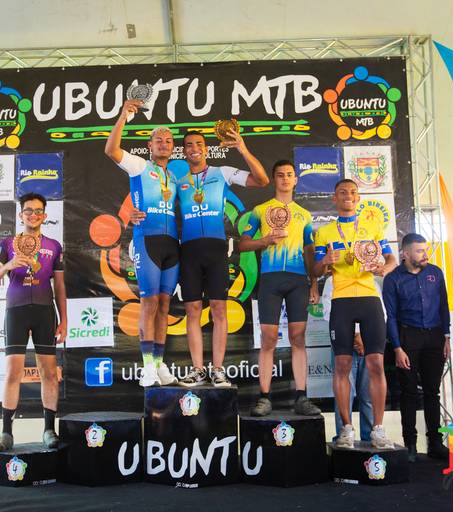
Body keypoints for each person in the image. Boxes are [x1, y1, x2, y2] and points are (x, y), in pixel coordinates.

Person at [177, 130, 270, 387]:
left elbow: (262, 180)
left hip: (216, 249)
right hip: (189, 251)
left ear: (206, 149)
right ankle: (197, 370)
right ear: (184, 151)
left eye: (199, 144)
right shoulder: (177, 181)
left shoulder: (223, 172)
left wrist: (241, 147)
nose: (194, 148)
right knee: (193, 310)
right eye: (188, 145)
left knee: (219, 308)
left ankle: (218, 370)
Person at [313, 179, 397, 449]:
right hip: (341, 299)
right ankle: (346, 429)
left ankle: (378, 430)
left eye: (352, 192)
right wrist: (324, 261)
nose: (348, 196)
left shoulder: (373, 227)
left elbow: (391, 259)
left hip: (369, 298)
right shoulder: (324, 232)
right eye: (342, 192)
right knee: (342, 366)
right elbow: (316, 270)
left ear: (358, 198)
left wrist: (383, 269)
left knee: (376, 365)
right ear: (334, 198)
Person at [104, 99, 179, 387]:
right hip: (147, 241)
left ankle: (159, 364)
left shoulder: (175, 176)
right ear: (149, 146)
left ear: (173, 147)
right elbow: (111, 150)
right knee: (149, 303)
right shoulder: (139, 166)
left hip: (172, 245)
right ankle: (147, 366)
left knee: (164, 304)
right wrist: (123, 115)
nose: (164, 144)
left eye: (168, 141)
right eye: (158, 140)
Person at [238, 159, 320, 415]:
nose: (285, 178)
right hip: (270, 279)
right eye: (280, 175)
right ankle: (264, 397)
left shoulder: (304, 215)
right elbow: (243, 244)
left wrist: (314, 283)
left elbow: (309, 251)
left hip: (297, 280)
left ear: (296, 180)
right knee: (268, 339)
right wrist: (264, 241)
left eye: (289, 175)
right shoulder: (260, 210)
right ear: (274, 180)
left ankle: (301, 397)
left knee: (298, 337)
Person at [0, 193, 67, 451]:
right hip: (16, 311)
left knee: (49, 373)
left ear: (45, 215)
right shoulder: (7, 244)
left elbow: (60, 286)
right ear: (21, 215)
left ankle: (49, 430)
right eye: (28, 211)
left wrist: (64, 319)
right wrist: (9, 265)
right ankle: (6, 433)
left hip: (44, 311)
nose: (33, 215)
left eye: (38, 211)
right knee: (13, 372)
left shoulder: (54, 246)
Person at [383, 233, 450, 461]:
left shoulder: (435, 273)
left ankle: (435, 443)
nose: (425, 254)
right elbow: (391, 316)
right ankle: (410, 444)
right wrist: (397, 347)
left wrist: (446, 337)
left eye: (426, 250)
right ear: (405, 253)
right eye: (420, 251)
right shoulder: (393, 279)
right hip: (407, 337)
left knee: (433, 391)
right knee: (409, 392)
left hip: (435, 336)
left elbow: (444, 306)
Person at [322, 274, 375, 442]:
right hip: (343, 344)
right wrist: (356, 336)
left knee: (369, 396)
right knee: (344, 396)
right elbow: (329, 313)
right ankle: (344, 436)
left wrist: (365, 337)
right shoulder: (332, 281)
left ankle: (370, 438)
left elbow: (381, 313)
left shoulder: (370, 280)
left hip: (369, 344)